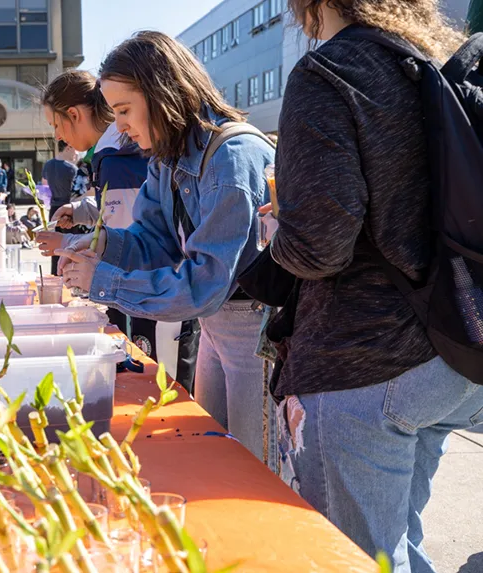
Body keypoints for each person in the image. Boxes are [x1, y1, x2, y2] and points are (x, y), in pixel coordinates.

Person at [265, 2, 483, 570]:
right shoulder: (435, 63)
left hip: (365, 362)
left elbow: (319, 246)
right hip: (456, 347)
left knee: (359, 559)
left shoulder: (329, 72)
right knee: (399, 548)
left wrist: (281, 226)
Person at [51, 32, 275, 460]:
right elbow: (153, 242)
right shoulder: (165, 157)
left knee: (255, 470)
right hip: (217, 325)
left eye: (123, 111)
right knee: (216, 456)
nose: (119, 126)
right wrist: (98, 247)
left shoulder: (231, 158)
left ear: (162, 93)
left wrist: (107, 282)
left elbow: (204, 285)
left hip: (254, 330)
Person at [39, 69, 192, 384]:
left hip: (150, 301)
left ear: (74, 114)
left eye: (55, 125)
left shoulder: (115, 158)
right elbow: (132, 209)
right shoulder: (115, 153)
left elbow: (128, 239)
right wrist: (82, 212)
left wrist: (65, 245)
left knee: (157, 392)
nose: (57, 136)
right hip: (164, 295)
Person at [43, 141, 80, 275]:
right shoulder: (73, 169)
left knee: (54, 246)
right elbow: (78, 192)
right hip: (69, 210)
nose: (76, 154)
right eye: (75, 150)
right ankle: (70, 276)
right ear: (69, 147)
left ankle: (55, 275)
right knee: (71, 246)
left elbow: (45, 186)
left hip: (53, 209)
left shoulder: (48, 165)